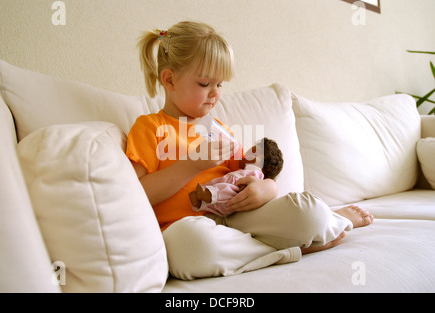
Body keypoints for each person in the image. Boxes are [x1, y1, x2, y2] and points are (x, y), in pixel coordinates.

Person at [126, 21, 374, 280]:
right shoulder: (149, 127)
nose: (215, 94)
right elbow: (136, 194)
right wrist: (191, 165)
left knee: (309, 213)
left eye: (220, 85)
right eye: (204, 84)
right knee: (190, 248)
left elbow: (249, 173)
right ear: (169, 79)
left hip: (239, 219)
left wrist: (267, 189)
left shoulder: (218, 128)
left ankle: (329, 221)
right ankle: (296, 246)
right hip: (189, 228)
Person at [188, 137, 284, 217]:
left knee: (227, 189)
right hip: (224, 192)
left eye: (254, 154)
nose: (248, 155)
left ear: (267, 168)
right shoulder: (242, 167)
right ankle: (200, 202)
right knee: (218, 183)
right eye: (249, 151)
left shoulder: (257, 173)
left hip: (233, 195)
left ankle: (207, 195)